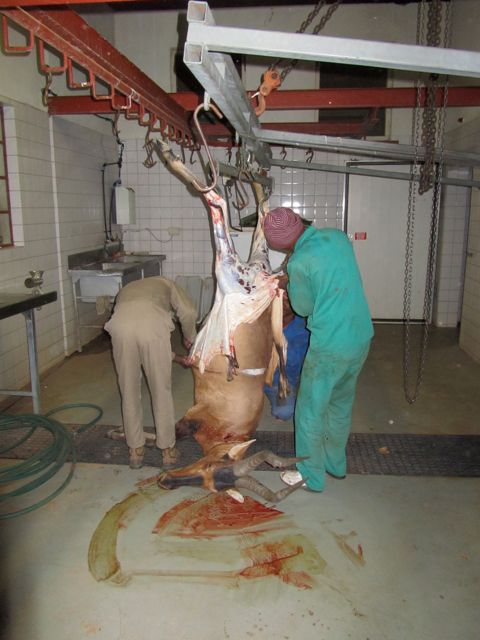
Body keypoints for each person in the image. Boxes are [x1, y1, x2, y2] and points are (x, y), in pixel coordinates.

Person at [263, 207, 373, 492]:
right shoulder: (337, 237)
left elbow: (303, 308)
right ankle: (335, 463)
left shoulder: (299, 262)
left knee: (310, 410)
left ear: (279, 244)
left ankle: (309, 475)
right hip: (360, 335)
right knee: (340, 403)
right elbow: (330, 275)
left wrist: (288, 283)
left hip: (330, 346)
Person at [104, 277, 197, 470]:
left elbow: (138, 333)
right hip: (153, 326)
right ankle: (167, 452)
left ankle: (135, 451)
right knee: (160, 391)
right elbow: (188, 312)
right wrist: (190, 338)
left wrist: (177, 357)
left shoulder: (128, 288)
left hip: (119, 326)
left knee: (128, 391)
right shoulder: (168, 284)